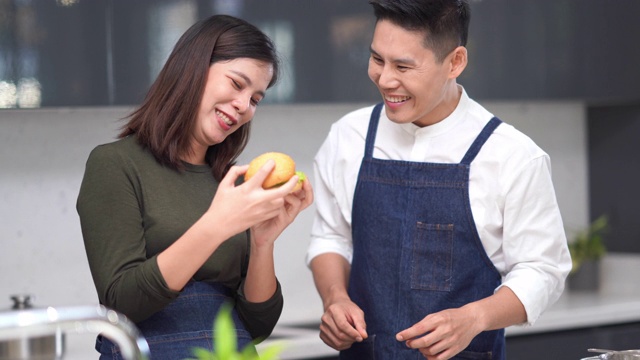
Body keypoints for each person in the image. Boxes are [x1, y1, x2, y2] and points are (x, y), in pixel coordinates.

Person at [306, 1, 572, 359]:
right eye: (377, 59)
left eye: (403, 66)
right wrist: (335, 298)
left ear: (455, 62)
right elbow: (331, 237)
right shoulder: (347, 137)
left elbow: (543, 270)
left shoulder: (512, 155)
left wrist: (474, 317)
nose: (385, 80)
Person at [77, 14, 313, 359]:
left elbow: (256, 325)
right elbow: (123, 301)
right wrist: (217, 225)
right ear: (193, 67)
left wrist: (263, 242)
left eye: (256, 99)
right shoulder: (115, 164)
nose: (244, 106)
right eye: (236, 84)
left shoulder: (232, 183)